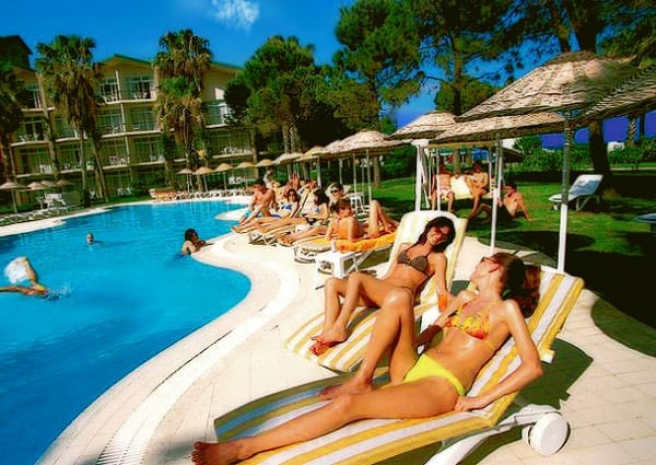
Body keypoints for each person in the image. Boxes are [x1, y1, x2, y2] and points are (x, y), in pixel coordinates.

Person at [191, 253, 542, 465]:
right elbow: (434, 331)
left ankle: (242, 449)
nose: (477, 264)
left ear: (495, 269)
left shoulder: (506, 309)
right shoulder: (464, 297)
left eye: (483, 261)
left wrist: (481, 399)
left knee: (348, 407)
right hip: (417, 366)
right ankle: (362, 378)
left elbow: (532, 366)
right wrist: (411, 337)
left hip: (440, 386)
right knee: (399, 298)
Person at [309, 215, 456, 356]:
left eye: (444, 237)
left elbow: (441, 290)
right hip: (382, 292)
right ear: (430, 227)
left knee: (356, 276)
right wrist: (368, 285)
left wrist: (453, 306)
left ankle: (339, 329)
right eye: (438, 231)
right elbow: (388, 274)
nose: (438, 237)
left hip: (400, 296)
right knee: (331, 283)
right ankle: (325, 335)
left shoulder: (439, 258)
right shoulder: (405, 247)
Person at [469, 181, 533, 223]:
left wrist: (528, 218)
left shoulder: (517, 196)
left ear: (513, 189)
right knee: (482, 205)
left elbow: (523, 207)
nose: (507, 190)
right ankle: (469, 219)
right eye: (506, 189)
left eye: (508, 189)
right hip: (501, 213)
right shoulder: (505, 195)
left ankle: (489, 219)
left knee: (498, 201)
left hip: (508, 215)